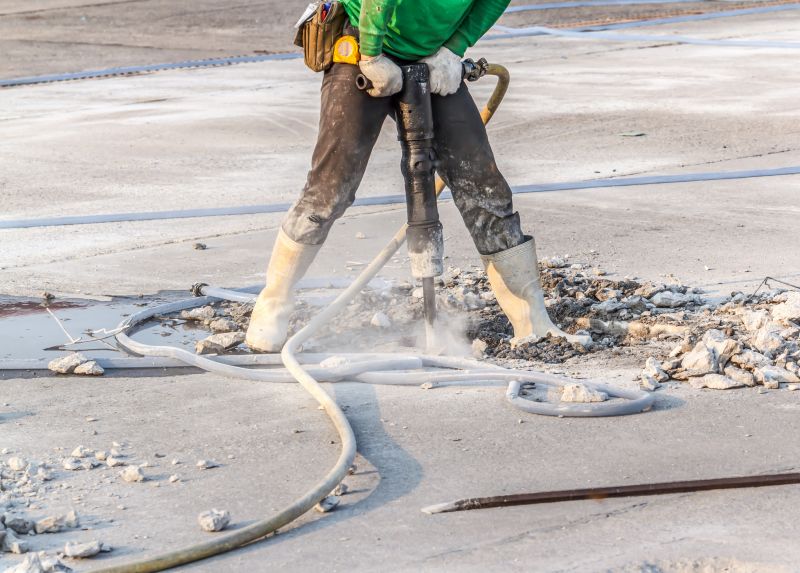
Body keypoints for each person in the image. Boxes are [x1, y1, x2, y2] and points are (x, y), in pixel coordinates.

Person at [245, 0, 589, 352]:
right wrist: (372, 54)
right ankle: (273, 303)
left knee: (482, 185)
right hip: (363, 39)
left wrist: (453, 49)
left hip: (431, 53)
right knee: (332, 186)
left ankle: (532, 321)